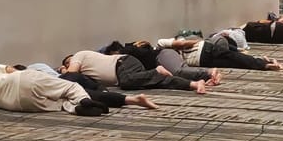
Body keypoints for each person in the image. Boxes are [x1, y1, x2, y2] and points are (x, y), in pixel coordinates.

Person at [0, 64, 157, 117]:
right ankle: (83, 102)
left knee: (64, 103)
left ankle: (77, 108)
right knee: (73, 88)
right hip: (25, 80)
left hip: (21, 104)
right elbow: (13, 70)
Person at [61, 50, 209, 94]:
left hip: (123, 64)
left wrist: (63, 70)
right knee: (160, 82)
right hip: (128, 72)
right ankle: (195, 84)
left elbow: (71, 75)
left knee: (127, 82)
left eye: (68, 62)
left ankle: (156, 70)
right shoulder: (86, 75)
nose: (69, 65)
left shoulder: (78, 55)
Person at [103, 40, 221, 86]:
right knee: (181, 73)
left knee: (178, 71)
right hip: (164, 57)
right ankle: (209, 77)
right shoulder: (131, 49)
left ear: (115, 52)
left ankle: (209, 71)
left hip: (162, 56)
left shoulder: (127, 51)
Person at [157, 36, 283, 71]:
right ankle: (264, 63)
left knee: (233, 61)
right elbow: (182, 44)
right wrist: (199, 41)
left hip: (201, 59)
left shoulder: (159, 54)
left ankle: (264, 63)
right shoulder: (161, 44)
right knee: (234, 58)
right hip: (203, 52)